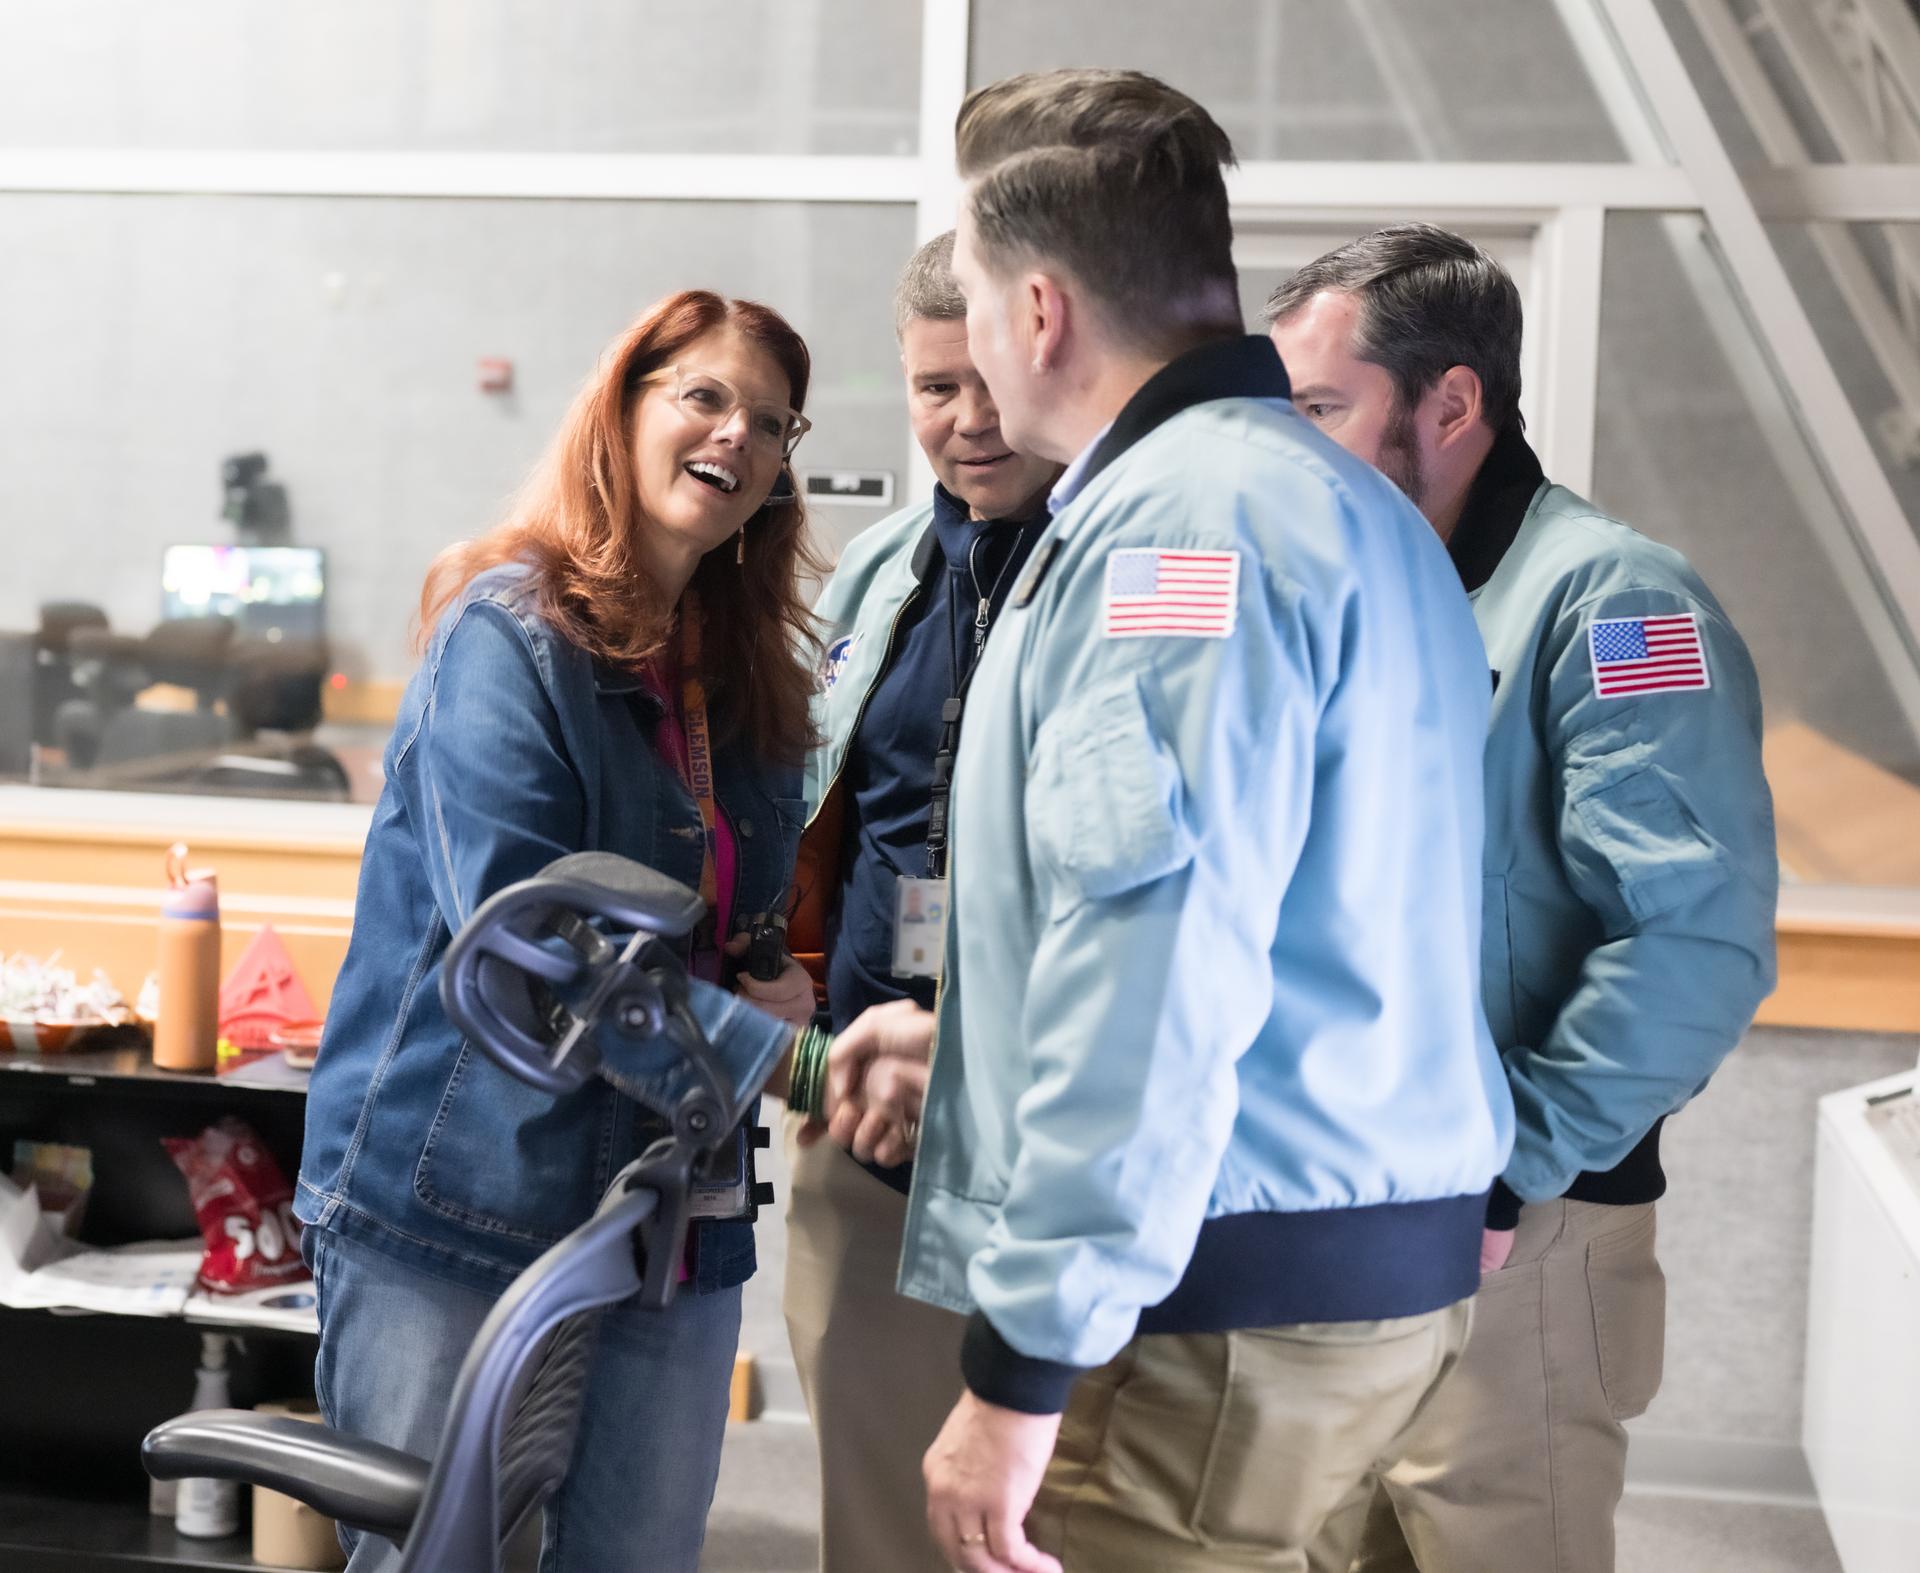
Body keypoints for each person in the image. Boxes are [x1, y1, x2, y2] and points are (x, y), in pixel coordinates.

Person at [827, 71, 1514, 1573]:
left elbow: (1161, 960)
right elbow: (1302, 909)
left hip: (1208, 1318)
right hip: (1357, 1269)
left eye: (986, 306)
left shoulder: (1176, 540)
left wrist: (1020, 1368)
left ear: (1043, 313)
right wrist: (977, 1044)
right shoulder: (1346, 510)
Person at [1265, 224, 1777, 1573]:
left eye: (1322, 406)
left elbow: (1694, 939)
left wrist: (1510, 1163)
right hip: (1347, 1204)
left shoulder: (1613, 602)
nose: (1291, 444)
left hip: (1520, 1222)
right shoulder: (1352, 594)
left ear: (1451, 402)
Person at [295, 290, 822, 1573]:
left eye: (769, 420)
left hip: (671, 1211)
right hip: (466, 1192)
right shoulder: (508, 635)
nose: (734, 436)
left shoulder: (746, 670)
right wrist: (781, 1054)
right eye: (702, 396)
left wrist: (776, 973)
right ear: (623, 408)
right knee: (431, 1559)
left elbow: (737, 918)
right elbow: (533, 953)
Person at [780, 229, 1063, 1573]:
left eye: (989, 384)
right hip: (865, 1121)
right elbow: (820, 801)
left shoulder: (1130, 575)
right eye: (932, 387)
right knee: (878, 1514)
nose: (967, 422)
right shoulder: (883, 569)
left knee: (1034, 1519)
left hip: (1042, 1135)